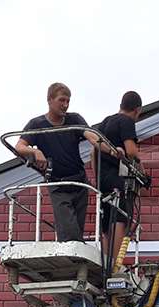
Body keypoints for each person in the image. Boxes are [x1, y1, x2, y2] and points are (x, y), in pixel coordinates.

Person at [14, 83, 100, 242]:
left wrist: (112, 149)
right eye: (61, 100)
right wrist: (35, 151)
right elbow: (19, 147)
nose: (65, 105)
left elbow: (92, 136)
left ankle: (74, 262)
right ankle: (72, 260)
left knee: (77, 231)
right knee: (69, 233)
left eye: (68, 101)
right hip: (58, 185)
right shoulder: (37, 124)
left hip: (79, 182)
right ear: (49, 100)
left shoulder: (74, 119)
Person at [93, 91, 144, 261]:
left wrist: (97, 177)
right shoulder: (127, 121)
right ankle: (114, 264)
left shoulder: (106, 121)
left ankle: (105, 263)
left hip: (102, 179)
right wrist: (141, 171)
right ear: (137, 110)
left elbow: (94, 152)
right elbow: (130, 151)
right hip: (117, 178)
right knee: (119, 218)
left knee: (106, 222)